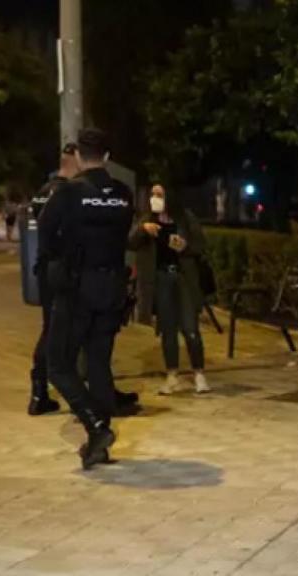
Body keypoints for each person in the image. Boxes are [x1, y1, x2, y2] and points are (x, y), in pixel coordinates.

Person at [39, 128, 134, 469]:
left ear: (78, 155)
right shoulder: (124, 194)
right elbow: (122, 234)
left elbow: (46, 236)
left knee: (59, 363)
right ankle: (101, 443)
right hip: (112, 287)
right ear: (107, 157)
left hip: (77, 289)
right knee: (99, 363)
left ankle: (95, 426)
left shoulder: (68, 193)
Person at [128, 184, 211, 395]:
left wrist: (185, 247)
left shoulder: (184, 217)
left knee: (190, 328)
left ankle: (199, 373)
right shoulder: (148, 218)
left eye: (160, 194)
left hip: (183, 278)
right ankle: (172, 375)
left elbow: (200, 245)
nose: (155, 198)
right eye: (153, 194)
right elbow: (131, 242)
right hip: (160, 279)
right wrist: (143, 230)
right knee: (168, 330)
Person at [27, 143, 80, 415]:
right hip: (63, 270)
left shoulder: (42, 192)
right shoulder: (66, 193)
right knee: (61, 332)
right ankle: (69, 390)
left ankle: (39, 391)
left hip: (45, 269)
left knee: (49, 328)